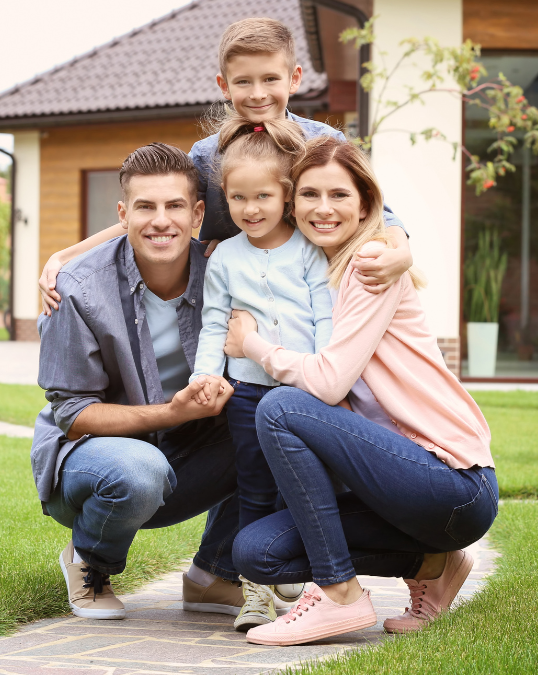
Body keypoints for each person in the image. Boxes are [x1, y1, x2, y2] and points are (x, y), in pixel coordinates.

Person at [223, 136, 498, 646]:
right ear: (291, 202)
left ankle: (339, 595)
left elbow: (326, 384)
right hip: (400, 490)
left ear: (367, 204)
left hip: (453, 482)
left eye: (339, 195)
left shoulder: (371, 262)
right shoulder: (318, 273)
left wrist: (253, 345)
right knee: (256, 552)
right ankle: (435, 563)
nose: (322, 209)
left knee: (281, 406)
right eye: (309, 195)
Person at [36, 17, 414, 317]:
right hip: (235, 297)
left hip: (315, 291)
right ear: (224, 85)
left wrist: (402, 253)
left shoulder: (324, 144)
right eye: (243, 82)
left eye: (270, 79)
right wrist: (65, 256)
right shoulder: (208, 154)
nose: (258, 93)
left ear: (294, 78)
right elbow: (157, 209)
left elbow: (381, 213)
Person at [33, 142, 247, 620]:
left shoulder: (225, 273)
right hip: (94, 465)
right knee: (139, 469)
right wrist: (172, 413)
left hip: (187, 454)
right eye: (145, 207)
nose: (160, 221)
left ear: (196, 215)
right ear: (123, 213)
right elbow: (71, 415)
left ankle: (216, 573)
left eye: (174, 206)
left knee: (279, 420)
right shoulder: (78, 289)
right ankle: (89, 561)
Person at [188, 114, 330, 631]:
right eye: (238, 199)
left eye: (263, 198)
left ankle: (305, 581)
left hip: (303, 393)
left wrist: (328, 375)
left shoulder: (311, 250)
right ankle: (254, 593)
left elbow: (326, 319)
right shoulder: (224, 256)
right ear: (224, 198)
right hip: (247, 392)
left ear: (286, 197)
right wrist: (205, 376)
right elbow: (212, 326)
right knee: (253, 488)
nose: (250, 210)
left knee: (304, 486)